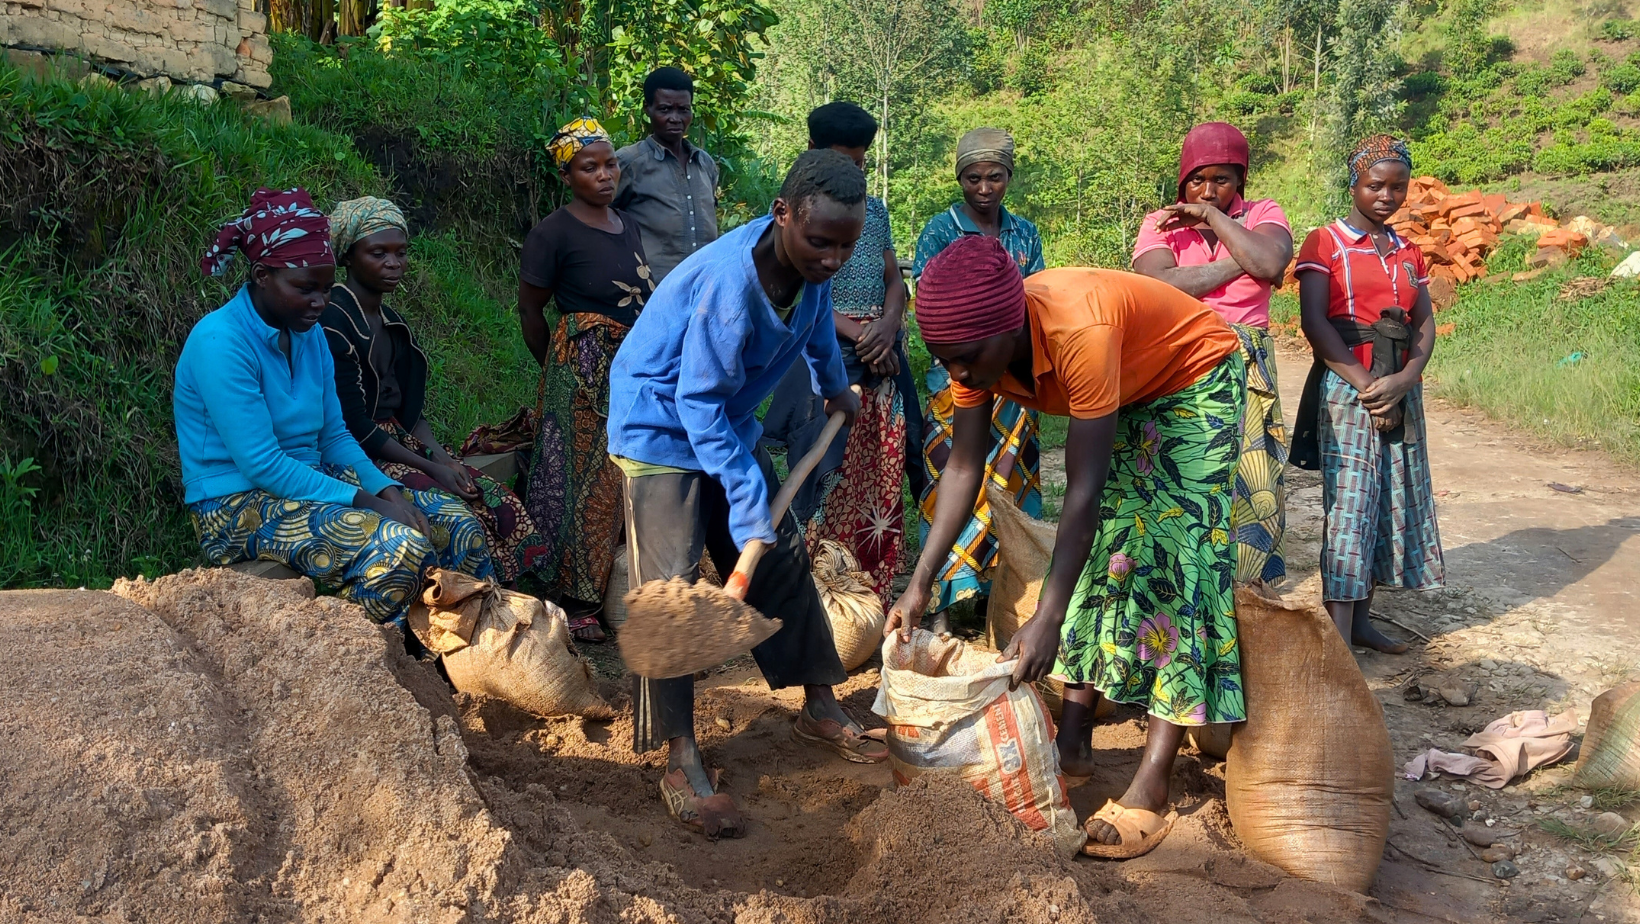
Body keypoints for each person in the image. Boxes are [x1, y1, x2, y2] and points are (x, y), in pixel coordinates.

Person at [888, 235, 1245, 860]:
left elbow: (1080, 491)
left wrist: (1047, 620)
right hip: (1132, 386)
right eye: (947, 362)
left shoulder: (1080, 329)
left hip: (1194, 379)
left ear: (1009, 327)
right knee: (1111, 551)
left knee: (1179, 557)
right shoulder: (975, 348)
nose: (960, 376)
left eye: (967, 361)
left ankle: (1154, 781)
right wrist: (920, 581)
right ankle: (1073, 741)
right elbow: (964, 467)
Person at [607, 149, 884, 839]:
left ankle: (820, 704)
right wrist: (743, 492)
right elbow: (695, 401)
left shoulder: (811, 269)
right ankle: (679, 757)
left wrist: (831, 385)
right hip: (659, 424)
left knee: (781, 558)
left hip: (722, 419)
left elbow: (817, 321)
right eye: (820, 242)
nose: (831, 259)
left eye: (846, 248)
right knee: (668, 593)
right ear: (782, 214)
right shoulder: (730, 289)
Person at [178, 188, 494, 632]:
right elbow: (262, 464)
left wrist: (387, 492)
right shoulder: (221, 343)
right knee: (398, 547)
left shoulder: (308, 337)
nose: (319, 303)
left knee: (456, 526)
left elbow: (334, 436)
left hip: (313, 481)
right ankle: (364, 664)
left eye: (326, 289)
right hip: (234, 505)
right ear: (262, 275)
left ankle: (467, 661)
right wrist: (367, 502)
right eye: (304, 288)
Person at [321, 196, 551, 588]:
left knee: (493, 498)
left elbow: (410, 415)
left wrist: (445, 459)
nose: (394, 263)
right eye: (378, 253)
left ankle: (506, 599)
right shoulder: (332, 321)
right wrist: (430, 468)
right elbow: (355, 425)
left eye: (400, 253)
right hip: (359, 455)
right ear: (347, 255)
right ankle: (454, 611)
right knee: (458, 521)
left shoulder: (392, 322)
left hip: (398, 441)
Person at [1292, 135, 1445, 654]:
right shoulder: (1326, 242)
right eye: (1374, 185)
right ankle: (1336, 639)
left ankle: (1362, 622)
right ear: (1353, 184)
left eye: (1397, 187)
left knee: (1386, 503)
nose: (1386, 195)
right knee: (1351, 504)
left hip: (1399, 388)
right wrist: (1366, 386)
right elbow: (1315, 320)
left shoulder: (1407, 249)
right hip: (1347, 388)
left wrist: (1404, 380)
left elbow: (1423, 322)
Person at [762, 101, 919, 597]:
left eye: (861, 163)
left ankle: (868, 592)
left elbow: (894, 279)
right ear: (811, 154)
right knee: (822, 469)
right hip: (825, 355)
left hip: (882, 357)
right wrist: (860, 334)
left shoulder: (875, 211)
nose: (854, 173)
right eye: (843, 161)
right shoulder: (795, 214)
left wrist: (889, 324)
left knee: (880, 471)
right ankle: (816, 588)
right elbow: (800, 299)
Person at [1132, 122, 1294, 585]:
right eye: (1197, 180)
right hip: (1178, 361)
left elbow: (1270, 260)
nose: (1207, 190)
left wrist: (1214, 221)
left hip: (1246, 362)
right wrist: (1242, 261)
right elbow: (1159, 284)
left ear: (1240, 179)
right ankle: (1182, 589)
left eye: (1222, 180)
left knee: (1250, 479)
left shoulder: (1263, 211)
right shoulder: (1158, 222)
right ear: (1182, 179)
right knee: (1179, 477)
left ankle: (1246, 595)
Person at [518, 117, 656, 642]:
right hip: (581, 374)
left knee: (624, 475)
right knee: (579, 482)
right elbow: (532, 312)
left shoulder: (628, 225)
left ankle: (615, 587)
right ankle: (573, 599)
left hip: (632, 368)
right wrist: (558, 368)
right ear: (567, 174)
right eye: (588, 166)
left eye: (610, 164)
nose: (604, 175)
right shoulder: (552, 233)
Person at [911, 126, 1045, 634]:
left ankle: (1003, 601)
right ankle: (944, 601)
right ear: (960, 180)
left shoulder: (1025, 233)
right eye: (973, 178)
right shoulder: (939, 231)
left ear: (1008, 177)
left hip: (1011, 377)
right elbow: (933, 309)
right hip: (958, 378)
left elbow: (1032, 302)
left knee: (1007, 484)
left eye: (994, 177)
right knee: (951, 481)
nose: (984, 188)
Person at [613, 67, 719, 284]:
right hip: (651, 289)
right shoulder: (629, 162)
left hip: (704, 285)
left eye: (683, 110)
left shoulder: (705, 163)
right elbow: (601, 218)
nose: (675, 118)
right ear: (648, 109)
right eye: (664, 109)